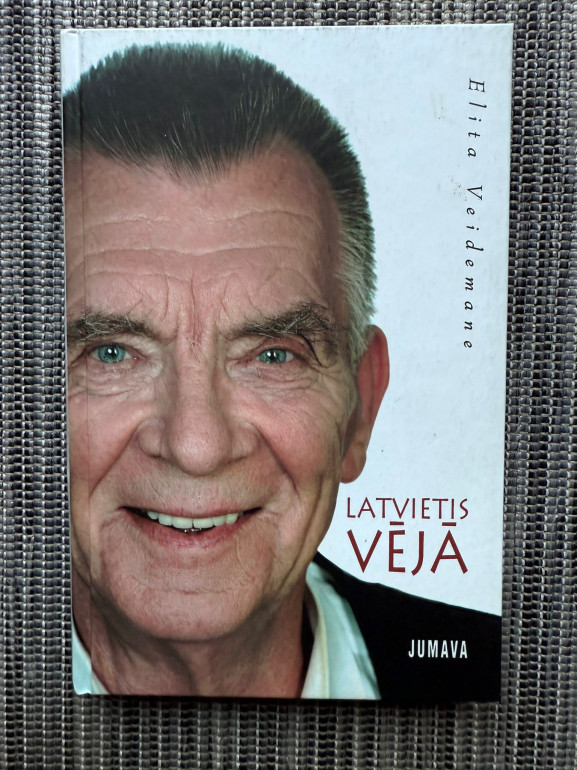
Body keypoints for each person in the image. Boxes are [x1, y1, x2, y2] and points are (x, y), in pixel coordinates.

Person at [64, 42, 500, 700]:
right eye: (112, 353)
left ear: (358, 408)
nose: (195, 447)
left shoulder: (524, 682)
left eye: (272, 355)